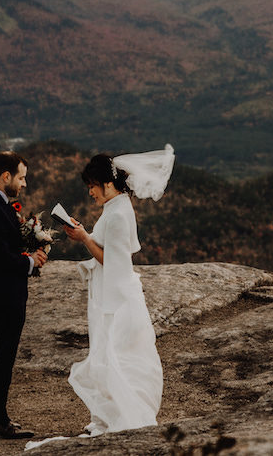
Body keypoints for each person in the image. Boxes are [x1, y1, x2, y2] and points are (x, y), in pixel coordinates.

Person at [62, 145, 174, 436]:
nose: (90, 192)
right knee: (108, 355)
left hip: (116, 298)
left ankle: (117, 416)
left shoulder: (119, 214)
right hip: (111, 291)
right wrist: (86, 234)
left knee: (115, 355)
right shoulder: (116, 207)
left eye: (92, 186)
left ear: (107, 184)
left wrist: (84, 237)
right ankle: (105, 416)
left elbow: (115, 261)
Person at [0, 151, 48, 440]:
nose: (23, 184)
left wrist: (31, 244)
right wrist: (29, 263)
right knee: (4, 356)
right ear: (6, 176)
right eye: (21, 177)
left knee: (0, 354)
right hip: (4, 293)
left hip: (4, 291)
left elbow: (7, 245)